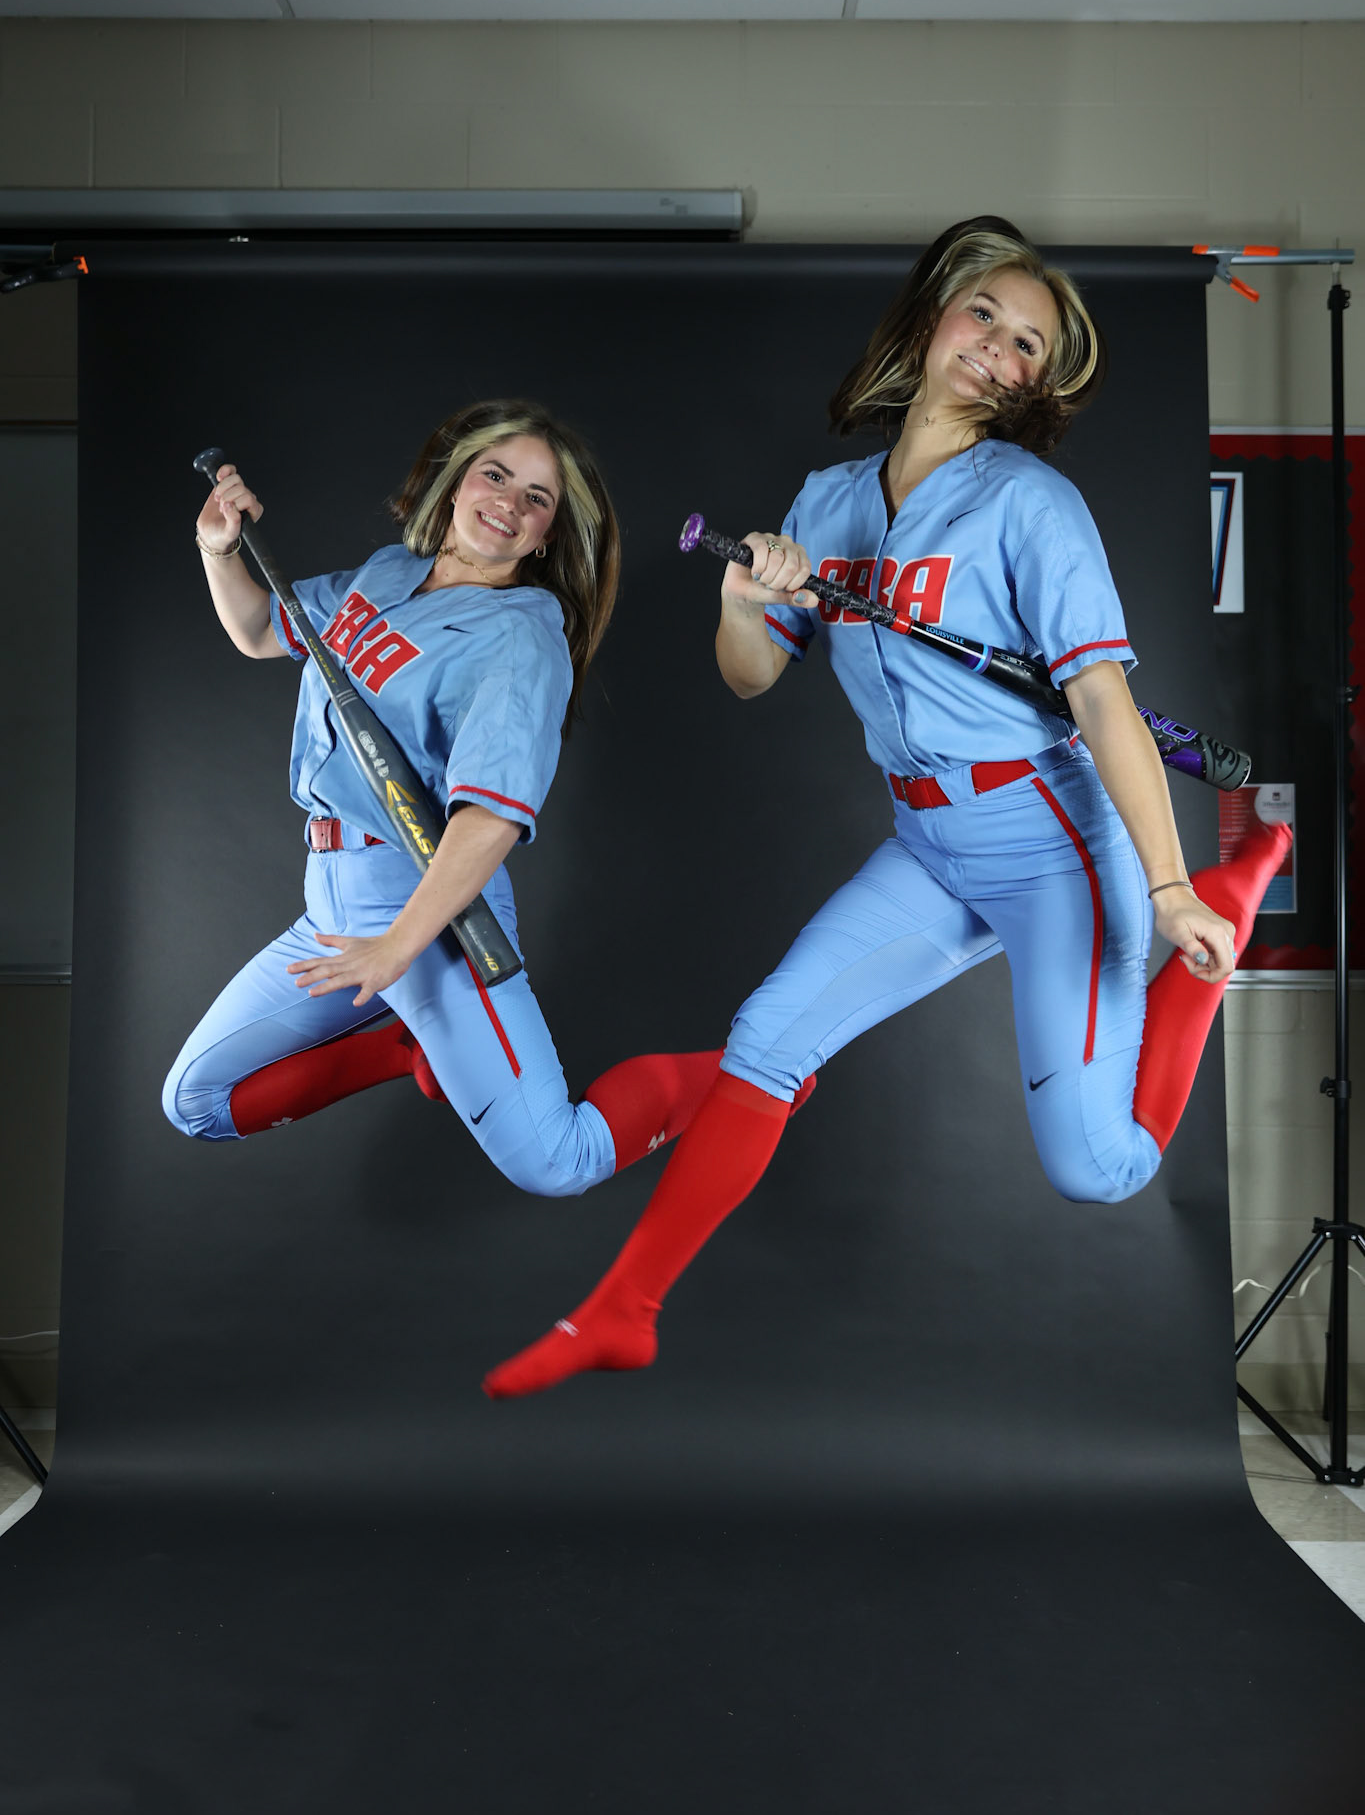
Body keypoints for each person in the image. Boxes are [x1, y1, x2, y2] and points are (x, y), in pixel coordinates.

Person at [483, 217, 1289, 1399]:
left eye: (1028, 346)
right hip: (927, 841)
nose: (1000, 351)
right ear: (931, 319)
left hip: (1055, 840)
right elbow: (750, 674)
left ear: (1031, 384)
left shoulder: (1030, 504)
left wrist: (1168, 887)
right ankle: (622, 1307)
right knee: (767, 1035)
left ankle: (1216, 916)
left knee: (1100, 1166)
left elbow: (1105, 700)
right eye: (986, 318)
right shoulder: (831, 501)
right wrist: (746, 601)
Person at [163, 398, 727, 1196]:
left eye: (537, 499)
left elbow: (489, 818)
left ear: (548, 535)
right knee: (195, 1101)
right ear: (458, 483)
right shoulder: (387, 572)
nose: (508, 502)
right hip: (329, 905)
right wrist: (217, 548)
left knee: (556, 1164)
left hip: (429, 914)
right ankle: (403, 1046)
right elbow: (261, 632)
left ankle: (756, 1074)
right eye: (495, 476)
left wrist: (396, 947)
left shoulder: (521, 638)